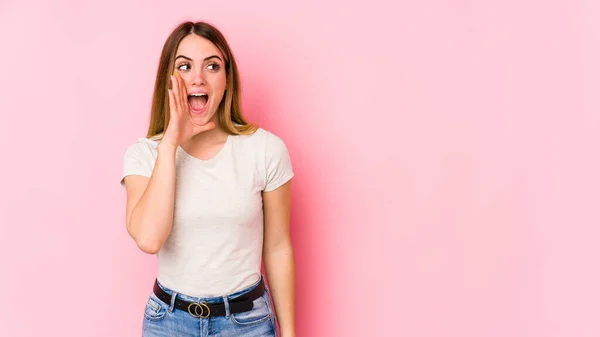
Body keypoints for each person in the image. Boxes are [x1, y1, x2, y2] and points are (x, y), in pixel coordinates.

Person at [119, 21, 295, 337]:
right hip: (168, 323)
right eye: (184, 66)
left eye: (212, 66)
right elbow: (148, 238)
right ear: (168, 81)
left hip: (247, 324)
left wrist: (290, 332)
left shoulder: (265, 150)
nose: (197, 78)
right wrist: (170, 144)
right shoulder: (144, 155)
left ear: (227, 80)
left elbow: (278, 246)